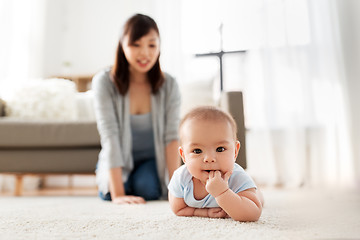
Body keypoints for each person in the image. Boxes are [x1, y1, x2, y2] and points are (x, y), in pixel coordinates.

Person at [92, 14, 181, 204]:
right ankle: (120, 183)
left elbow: (172, 138)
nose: (145, 53)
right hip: (117, 157)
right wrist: (118, 195)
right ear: (122, 45)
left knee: (147, 190)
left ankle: (134, 182)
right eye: (136, 44)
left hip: (151, 160)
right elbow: (110, 136)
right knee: (109, 194)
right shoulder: (104, 82)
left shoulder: (169, 84)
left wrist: (177, 190)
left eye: (151, 45)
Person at [168, 106, 264, 221]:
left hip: (242, 193)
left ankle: (256, 189)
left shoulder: (237, 177)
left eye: (220, 149)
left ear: (235, 151)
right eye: (197, 151)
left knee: (258, 199)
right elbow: (178, 209)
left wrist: (222, 193)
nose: (209, 159)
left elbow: (252, 214)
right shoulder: (181, 178)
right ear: (183, 155)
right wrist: (204, 212)